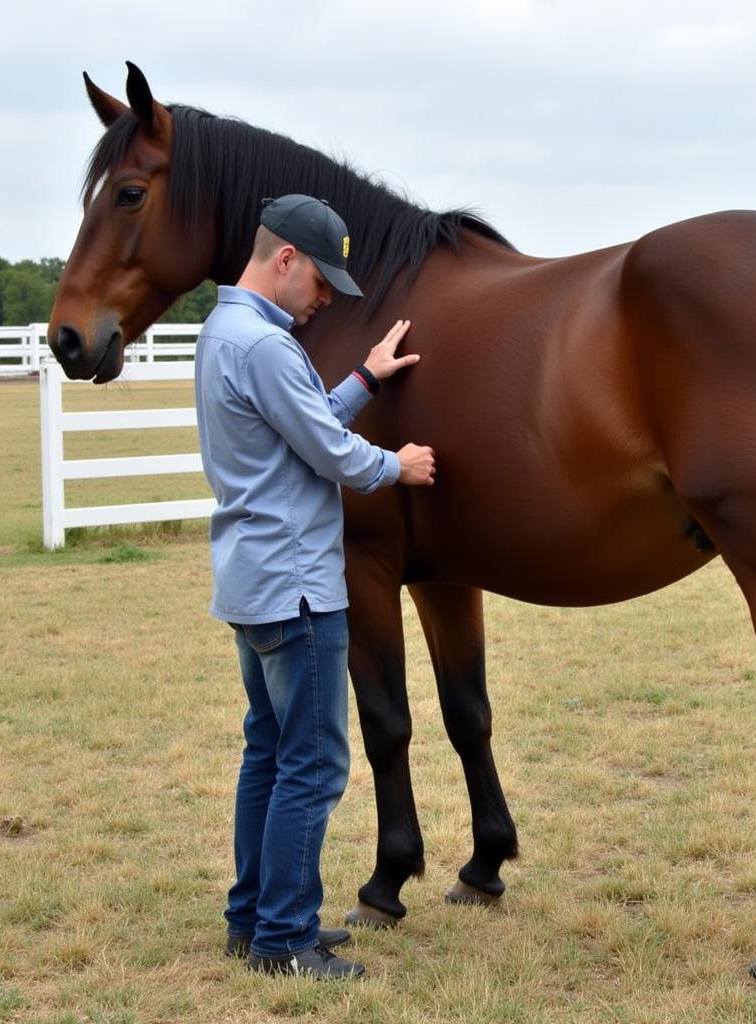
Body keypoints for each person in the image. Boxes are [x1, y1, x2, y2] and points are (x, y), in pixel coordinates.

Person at [195, 194, 435, 980]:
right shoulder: (265, 346)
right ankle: (286, 941)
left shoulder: (224, 333)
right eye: (322, 281)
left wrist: (366, 375)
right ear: (285, 260)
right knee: (314, 763)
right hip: (299, 590)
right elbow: (333, 455)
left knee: (266, 753)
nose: (326, 297)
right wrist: (393, 466)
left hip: (252, 581)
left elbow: (304, 428)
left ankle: (252, 917)